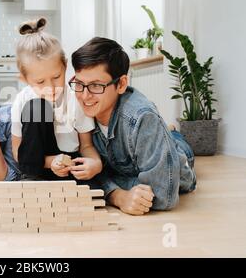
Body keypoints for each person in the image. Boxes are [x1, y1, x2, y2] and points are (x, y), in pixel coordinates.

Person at [69, 37, 197, 215]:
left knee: (178, 146)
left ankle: (172, 135)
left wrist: (114, 194)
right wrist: (118, 193)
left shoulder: (142, 118)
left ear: (121, 84)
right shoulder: (77, 112)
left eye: (96, 86)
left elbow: (163, 194)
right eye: (79, 84)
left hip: (178, 160)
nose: (84, 96)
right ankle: (168, 131)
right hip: (134, 158)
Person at [10, 18, 102, 186]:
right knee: (36, 107)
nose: (51, 87)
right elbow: (17, 152)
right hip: (38, 168)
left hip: (70, 166)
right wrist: (50, 162)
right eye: (40, 82)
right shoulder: (22, 100)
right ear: (24, 79)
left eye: (56, 77)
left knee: (96, 191)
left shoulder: (75, 97)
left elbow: (86, 145)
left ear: (65, 67)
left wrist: (95, 164)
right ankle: (31, 183)